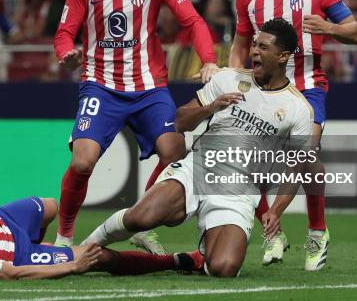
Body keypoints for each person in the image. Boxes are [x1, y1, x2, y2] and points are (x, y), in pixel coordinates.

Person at [83, 18, 313, 277]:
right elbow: (179, 121)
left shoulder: (299, 109)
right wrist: (210, 108)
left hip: (238, 191)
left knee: (223, 268)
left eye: (263, 47)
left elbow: (296, 168)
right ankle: (83, 249)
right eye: (254, 45)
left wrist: (275, 210)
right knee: (140, 218)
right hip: (199, 168)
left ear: (283, 56)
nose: (254, 51)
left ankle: (184, 260)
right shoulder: (228, 79)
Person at [53, 0, 219, 251]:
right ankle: (64, 237)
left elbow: (194, 22)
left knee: (174, 151)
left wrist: (209, 62)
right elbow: (64, 33)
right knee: (82, 161)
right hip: (100, 85)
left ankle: (142, 222)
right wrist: (67, 52)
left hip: (149, 88)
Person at [228, 0, 357, 270]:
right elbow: (240, 44)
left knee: (306, 157)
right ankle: (273, 233)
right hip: (262, 92)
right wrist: (235, 81)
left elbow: (356, 32)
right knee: (246, 167)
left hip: (307, 88)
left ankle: (317, 232)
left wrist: (330, 27)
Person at [0, 130, 203, 280]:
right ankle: (179, 260)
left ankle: (48, 246)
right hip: (17, 254)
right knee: (96, 256)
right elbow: (12, 273)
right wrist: (72, 266)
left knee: (50, 205)